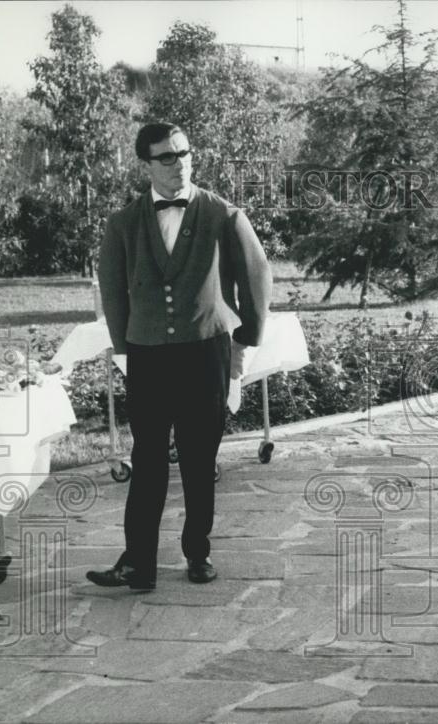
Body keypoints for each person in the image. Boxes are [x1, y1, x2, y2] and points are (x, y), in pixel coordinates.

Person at [90, 122, 272, 591]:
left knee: (198, 458)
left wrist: (245, 339)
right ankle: (139, 564)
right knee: (147, 459)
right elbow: (113, 292)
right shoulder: (123, 223)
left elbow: (257, 277)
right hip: (149, 357)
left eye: (184, 153)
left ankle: (198, 552)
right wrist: (126, 349)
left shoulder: (224, 214)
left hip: (204, 353)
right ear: (146, 164)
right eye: (166, 157)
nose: (179, 164)